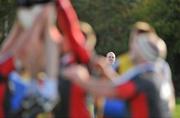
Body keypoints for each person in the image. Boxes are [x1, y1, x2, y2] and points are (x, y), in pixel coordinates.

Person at [63, 28, 173, 118]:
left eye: (136, 44)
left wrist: (81, 79)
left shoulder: (145, 79)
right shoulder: (155, 74)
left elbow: (112, 90)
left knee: (108, 107)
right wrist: (106, 71)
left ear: (143, 52)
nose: (131, 47)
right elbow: (119, 84)